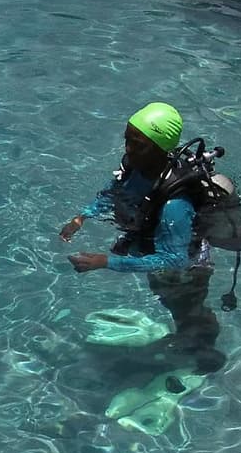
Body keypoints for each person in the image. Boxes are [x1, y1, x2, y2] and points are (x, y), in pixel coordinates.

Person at [62, 101, 222, 363]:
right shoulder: (136, 169)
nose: (128, 149)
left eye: (138, 144)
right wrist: (83, 217)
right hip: (154, 247)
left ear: (161, 149)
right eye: (127, 140)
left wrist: (107, 262)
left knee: (185, 309)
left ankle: (205, 353)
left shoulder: (175, 205)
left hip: (186, 271)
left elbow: (175, 260)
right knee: (170, 303)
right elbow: (113, 193)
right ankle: (188, 337)